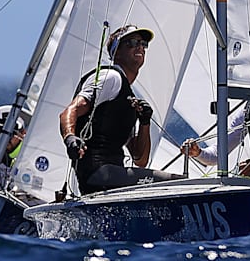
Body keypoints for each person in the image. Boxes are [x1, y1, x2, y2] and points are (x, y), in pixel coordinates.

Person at [59, 23, 181, 194]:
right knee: (177, 184)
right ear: (117, 51)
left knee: (174, 182)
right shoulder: (110, 77)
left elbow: (140, 159)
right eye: (131, 43)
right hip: (97, 173)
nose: (139, 47)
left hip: (112, 174)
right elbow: (69, 111)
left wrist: (144, 123)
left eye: (143, 44)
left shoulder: (128, 98)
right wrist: (70, 138)